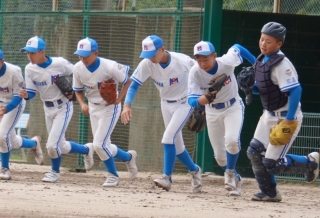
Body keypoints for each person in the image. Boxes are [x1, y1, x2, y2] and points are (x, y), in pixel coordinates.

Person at [246, 22, 320, 202]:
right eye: (262, 39)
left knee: (273, 163)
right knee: (255, 152)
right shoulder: (261, 59)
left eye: (268, 41)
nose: (263, 44)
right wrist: (249, 87)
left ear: (279, 44)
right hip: (268, 115)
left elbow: (296, 90)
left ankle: (310, 163)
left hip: (286, 116)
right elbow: (266, 90)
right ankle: (270, 193)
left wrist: (289, 119)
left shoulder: (282, 64)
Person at [121, 35, 203, 192]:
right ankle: (195, 170)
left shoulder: (182, 61)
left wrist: (201, 104)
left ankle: (167, 178)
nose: (150, 58)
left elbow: (201, 75)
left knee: (167, 139)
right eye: (147, 55)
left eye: (153, 54)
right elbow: (134, 84)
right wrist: (127, 105)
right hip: (165, 103)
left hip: (184, 102)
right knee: (177, 147)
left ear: (163, 49)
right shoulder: (147, 63)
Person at [19, 36, 94, 183]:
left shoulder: (59, 63)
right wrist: (26, 95)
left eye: (32, 52)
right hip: (47, 108)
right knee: (61, 146)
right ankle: (86, 150)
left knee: (52, 145)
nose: (29, 56)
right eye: (27, 52)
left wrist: (76, 90)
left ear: (42, 52)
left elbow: (78, 73)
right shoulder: (29, 69)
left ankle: (54, 172)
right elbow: (32, 92)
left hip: (63, 107)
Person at [188, 40, 255, 196]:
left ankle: (230, 172)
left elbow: (238, 47)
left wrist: (257, 65)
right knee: (219, 157)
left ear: (214, 56)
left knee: (232, 141)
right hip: (212, 111)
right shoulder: (195, 72)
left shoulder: (226, 62)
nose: (202, 63)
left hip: (232, 107)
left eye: (205, 59)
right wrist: (204, 99)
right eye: (199, 59)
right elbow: (191, 100)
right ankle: (236, 178)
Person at [72, 37, 137, 187]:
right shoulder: (77, 68)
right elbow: (77, 90)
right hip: (93, 107)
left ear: (96, 53)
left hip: (109, 108)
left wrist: (119, 99)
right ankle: (128, 157)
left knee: (99, 144)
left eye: (86, 55)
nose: (82, 58)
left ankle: (113, 175)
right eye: (80, 55)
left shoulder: (110, 66)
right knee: (103, 145)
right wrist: (82, 104)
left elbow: (128, 81)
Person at [0, 47, 43, 180]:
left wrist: (8, 108)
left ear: (2, 61)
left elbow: (19, 95)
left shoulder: (14, 72)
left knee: (1, 136)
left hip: (14, 103)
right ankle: (34, 144)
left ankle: (5, 169)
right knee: (11, 140)